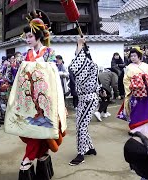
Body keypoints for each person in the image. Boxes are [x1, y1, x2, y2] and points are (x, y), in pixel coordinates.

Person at [4, 10, 67, 180]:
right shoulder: (27, 55)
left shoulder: (49, 52)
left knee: (38, 131)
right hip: (29, 99)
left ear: (38, 36)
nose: (27, 39)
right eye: (26, 36)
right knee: (31, 130)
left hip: (46, 98)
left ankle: (27, 160)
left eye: (30, 36)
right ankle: (42, 159)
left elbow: (53, 74)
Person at [68, 38, 99, 166]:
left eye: (79, 53)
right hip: (83, 99)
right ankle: (90, 147)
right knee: (80, 125)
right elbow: (76, 63)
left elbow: (74, 66)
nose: (76, 55)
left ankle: (81, 154)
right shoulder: (87, 65)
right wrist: (79, 44)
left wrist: (80, 44)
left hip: (89, 98)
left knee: (81, 126)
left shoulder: (91, 66)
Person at [117, 47, 148, 135]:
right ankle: (135, 129)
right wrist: (133, 86)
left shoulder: (147, 66)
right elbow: (125, 80)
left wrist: (146, 80)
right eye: (131, 56)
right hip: (135, 92)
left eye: (134, 56)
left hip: (146, 92)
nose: (132, 58)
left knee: (145, 111)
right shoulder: (129, 67)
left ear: (139, 56)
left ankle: (146, 130)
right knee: (135, 110)